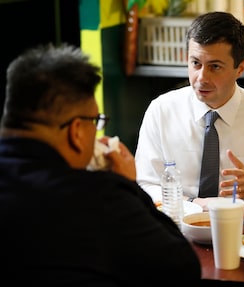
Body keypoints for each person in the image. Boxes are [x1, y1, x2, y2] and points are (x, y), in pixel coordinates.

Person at [0, 43, 201, 285]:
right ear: (76, 132)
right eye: (95, 121)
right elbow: (183, 269)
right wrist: (128, 186)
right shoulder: (101, 198)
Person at [135, 11, 244, 215]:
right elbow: (145, 186)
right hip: (177, 229)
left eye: (215, 67)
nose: (201, 78)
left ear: (240, 68)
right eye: (195, 63)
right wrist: (195, 204)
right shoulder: (161, 110)